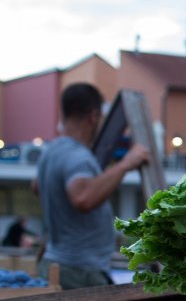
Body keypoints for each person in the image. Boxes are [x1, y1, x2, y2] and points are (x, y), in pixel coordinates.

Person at [34, 82, 149, 289]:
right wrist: (125, 165)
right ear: (93, 116)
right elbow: (83, 198)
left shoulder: (51, 151)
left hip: (60, 265)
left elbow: (36, 186)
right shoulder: (77, 156)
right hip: (78, 271)